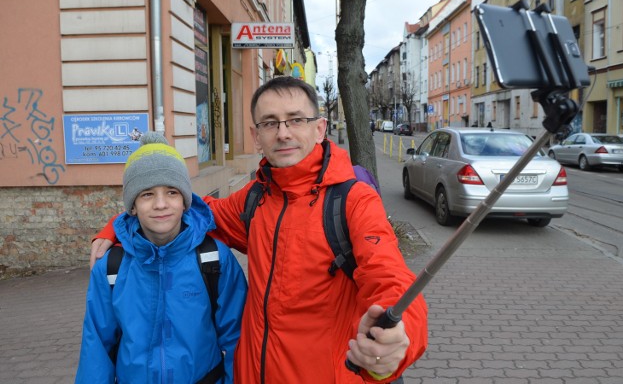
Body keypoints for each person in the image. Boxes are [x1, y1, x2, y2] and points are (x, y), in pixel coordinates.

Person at [91, 77, 428, 383]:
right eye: (270, 123)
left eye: (296, 119)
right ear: (256, 136)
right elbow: (191, 208)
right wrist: (121, 224)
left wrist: (399, 338)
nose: (283, 132)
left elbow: (390, 279)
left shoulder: (353, 201)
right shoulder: (254, 199)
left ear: (320, 128)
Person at [77, 132, 247, 384]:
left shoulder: (213, 259)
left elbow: (237, 339)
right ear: (132, 205)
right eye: (147, 194)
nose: (160, 204)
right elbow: (96, 347)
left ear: (185, 201)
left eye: (171, 192)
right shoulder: (112, 267)